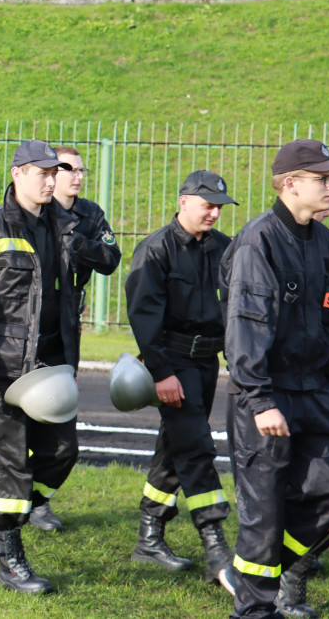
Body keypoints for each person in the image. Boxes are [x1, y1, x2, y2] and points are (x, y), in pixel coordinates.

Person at [0, 139, 83, 594]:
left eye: (56, 173)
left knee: (63, 452)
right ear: (18, 174)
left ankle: (1, 523)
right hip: (3, 367)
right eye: (43, 172)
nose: (52, 180)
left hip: (52, 363)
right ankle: (10, 559)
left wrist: (70, 359)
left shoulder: (66, 226)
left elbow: (75, 292)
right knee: (11, 461)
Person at [221, 139, 329, 619]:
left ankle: (283, 571)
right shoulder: (259, 241)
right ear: (290, 184)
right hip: (270, 396)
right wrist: (260, 398)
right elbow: (247, 328)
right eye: (324, 179)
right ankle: (253, 611)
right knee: (264, 514)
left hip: (321, 390)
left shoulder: (325, 240)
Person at [124, 170, 237, 593]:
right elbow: (143, 317)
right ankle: (217, 547)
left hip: (208, 364)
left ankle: (148, 538)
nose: (214, 213)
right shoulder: (156, 249)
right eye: (207, 204)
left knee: (175, 447)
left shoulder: (226, 248)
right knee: (196, 447)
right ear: (184, 201)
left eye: (219, 206)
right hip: (172, 363)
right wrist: (162, 373)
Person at [39, 144, 122, 531]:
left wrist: (77, 243)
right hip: (31, 325)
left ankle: (37, 500)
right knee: (26, 422)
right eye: (68, 168)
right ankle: (16, 504)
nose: (77, 176)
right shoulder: (32, 214)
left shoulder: (90, 215)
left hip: (68, 324)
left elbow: (110, 258)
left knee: (62, 428)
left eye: (81, 170)